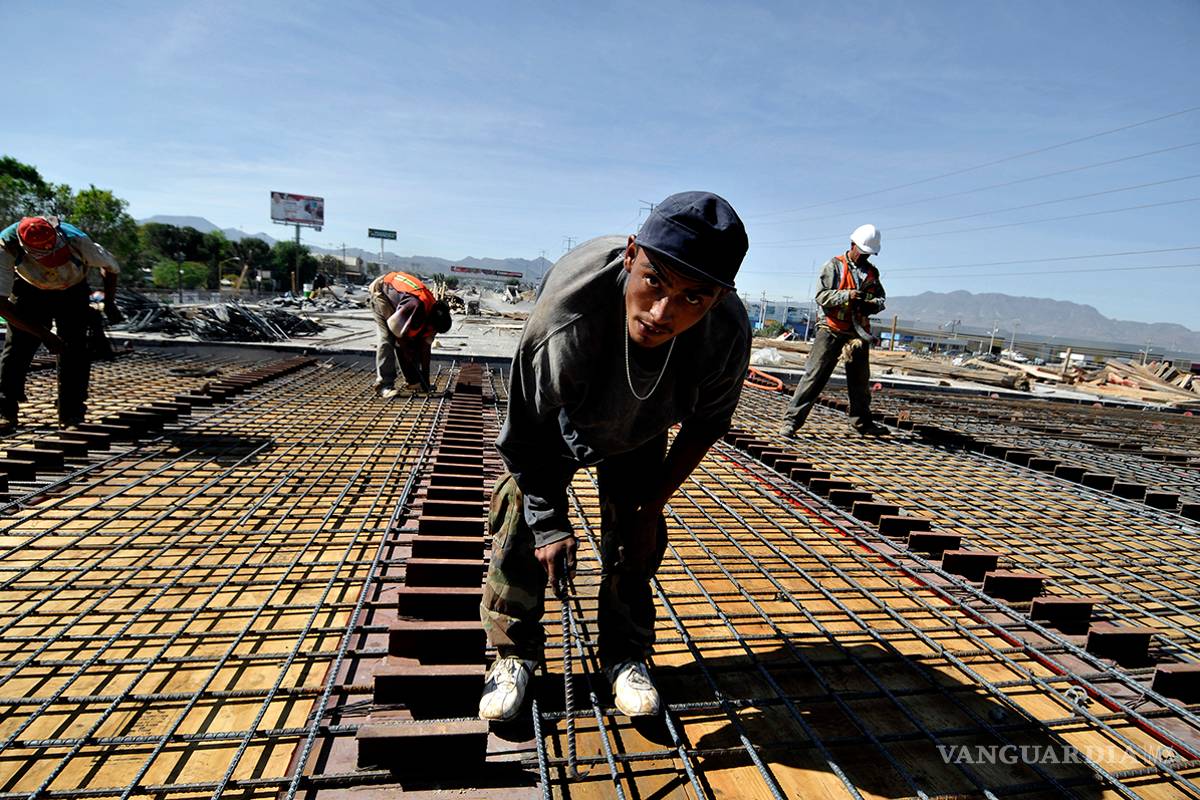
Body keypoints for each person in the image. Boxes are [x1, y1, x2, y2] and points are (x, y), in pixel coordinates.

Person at [478, 191, 751, 722]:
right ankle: (514, 654)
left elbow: (708, 424)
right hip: (558, 423)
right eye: (654, 281)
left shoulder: (726, 335)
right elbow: (523, 434)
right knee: (520, 512)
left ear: (717, 298)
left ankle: (625, 655)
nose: (661, 313)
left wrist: (652, 506)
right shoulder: (568, 316)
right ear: (631, 256)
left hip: (642, 429)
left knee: (637, 533)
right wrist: (550, 523)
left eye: (693, 298)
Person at [0, 216, 122, 432]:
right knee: (17, 348)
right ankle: (5, 412)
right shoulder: (5, 247)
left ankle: (72, 414)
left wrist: (109, 303)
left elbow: (111, 268)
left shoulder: (77, 240)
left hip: (72, 290)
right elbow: (1, 306)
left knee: (74, 350)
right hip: (30, 289)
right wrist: (44, 335)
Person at [778, 224, 888, 437]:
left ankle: (861, 423)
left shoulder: (872, 272)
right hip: (832, 329)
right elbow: (821, 297)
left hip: (858, 333)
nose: (865, 257)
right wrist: (847, 296)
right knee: (815, 376)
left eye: (869, 254)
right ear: (852, 245)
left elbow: (880, 299)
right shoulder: (834, 267)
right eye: (863, 252)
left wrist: (872, 304)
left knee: (860, 381)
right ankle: (791, 421)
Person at [368, 270, 451, 398]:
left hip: (400, 300)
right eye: (433, 330)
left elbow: (425, 348)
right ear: (429, 320)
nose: (432, 333)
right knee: (387, 340)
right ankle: (384, 385)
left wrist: (425, 379)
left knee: (414, 343)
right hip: (381, 293)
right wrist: (406, 351)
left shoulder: (434, 313)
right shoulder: (415, 306)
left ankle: (414, 382)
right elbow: (398, 334)